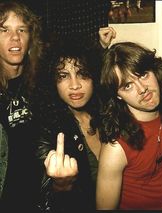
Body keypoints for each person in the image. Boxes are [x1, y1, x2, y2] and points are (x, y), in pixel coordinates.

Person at [96, 42, 162, 210]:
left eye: (143, 74)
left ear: (154, 71)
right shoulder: (116, 148)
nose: (142, 89)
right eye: (127, 86)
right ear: (117, 96)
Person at [32, 38, 106, 212]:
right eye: (63, 76)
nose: (75, 85)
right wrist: (62, 185)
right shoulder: (48, 129)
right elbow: (43, 195)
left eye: (83, 74)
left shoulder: (108, 115)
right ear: (53, 82)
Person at [0, 1, 43, 212]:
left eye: (22, 30)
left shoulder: (42, 84)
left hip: (39, 198)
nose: (15, 38)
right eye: (4, 29)